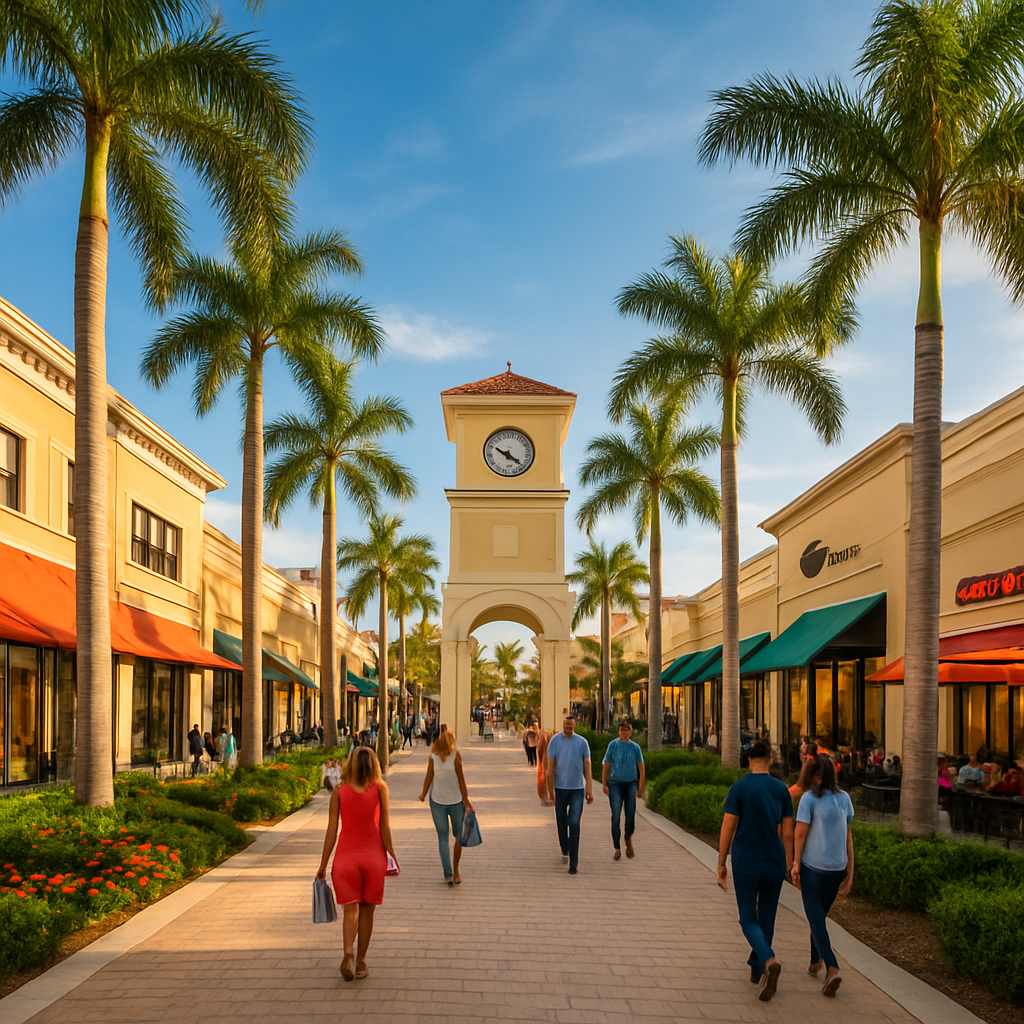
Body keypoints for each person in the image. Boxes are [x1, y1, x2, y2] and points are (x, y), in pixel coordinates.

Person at [717, 738, 794, 1002]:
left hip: (746, 861)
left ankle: (768, 959)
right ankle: (756, 968)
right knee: (767, 918)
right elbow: (788, 832)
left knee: (748, 919)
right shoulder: (781, 790)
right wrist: (789, 862)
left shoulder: (739, 788)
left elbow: (728, 827)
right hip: (774, 860)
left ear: (748, 759)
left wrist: (721, 863)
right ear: (770, 758)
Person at [316, 746, 397, 982]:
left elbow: (332, 830)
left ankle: (347, 952)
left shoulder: (339, 791)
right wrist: (391, 854)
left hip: (345, 859)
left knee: (350, 909)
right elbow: (385, 826)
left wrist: (323, 864)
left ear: (350, 764)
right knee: (367, 910)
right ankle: (361, 962)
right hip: (373, 858)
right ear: (374, 765)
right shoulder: (380, 788)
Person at [791, 755, 855, 998]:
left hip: (813, 868)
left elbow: (800, 833)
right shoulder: (844, 798)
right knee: (818, 916)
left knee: (816, 918)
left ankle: (832, 966)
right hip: (836, 869)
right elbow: (848, 837)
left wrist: (795, 864)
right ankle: (814, 960)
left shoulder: (809, 799)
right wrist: (850, 869)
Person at [418, 724, 473, 885]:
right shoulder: (450, 756)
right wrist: (467, 801)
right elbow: (461, 781)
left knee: (447, 837)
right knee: (455, 836)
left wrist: (423, 794)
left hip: (444, 802)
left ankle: (450, 872)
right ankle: (453, 871)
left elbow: (429, 778)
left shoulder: (443, 757)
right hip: (448, 802)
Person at [545, 715, 593, 874]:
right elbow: (550, 769)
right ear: (563, 725)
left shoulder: (582, 742)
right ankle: (564, 848)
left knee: (573, 822)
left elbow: (588, 767)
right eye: (566, 725)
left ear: (574, 726)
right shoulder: (555, 741)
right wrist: (550, 791)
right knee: (561, 822)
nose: (568, 728)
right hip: (560, 788)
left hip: (577, 789)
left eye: (571, 726)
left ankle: (574, 862)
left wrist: (589, 789)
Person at [602, 720, 645, 860]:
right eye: (622, 730)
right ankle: (617, 848)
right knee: (615, 816)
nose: (624, 733)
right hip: (615, 784)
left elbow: (641, 768)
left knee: (630, 815)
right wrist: (604, 783)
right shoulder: (613, 745)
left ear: (630, 732)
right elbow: (606, 764)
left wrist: (641, 786)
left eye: (627, 730)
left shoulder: (635, 748)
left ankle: (628, 837)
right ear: (619, 731)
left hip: (630, 784)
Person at [536, 725, 553, 805]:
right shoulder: (550, 742)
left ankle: (547, 798)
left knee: (545, 780)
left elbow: (539, 750)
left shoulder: (548, 743)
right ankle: (545, 798)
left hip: (546, 762)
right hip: (545, 763)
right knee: (545, 780)